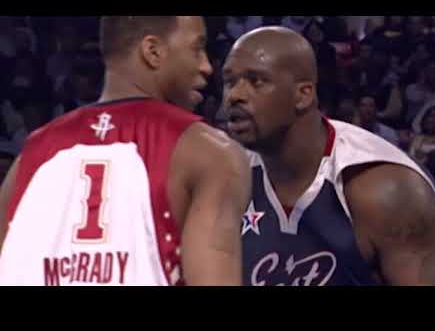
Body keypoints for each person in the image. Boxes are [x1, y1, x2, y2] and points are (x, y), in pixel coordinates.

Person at [0, 16, 251, 286]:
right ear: (153, 51)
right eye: (197, 48)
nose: (206, 67)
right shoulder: (210, 153)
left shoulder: (32, 154)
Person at [223, 26, 435, 286]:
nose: (234, 95)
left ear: (303, 95)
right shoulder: (226, 177)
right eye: (230, 82)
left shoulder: (385, 187)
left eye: (256, 81)